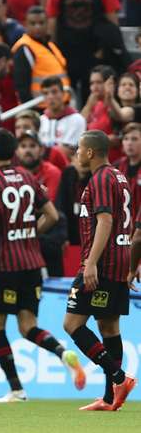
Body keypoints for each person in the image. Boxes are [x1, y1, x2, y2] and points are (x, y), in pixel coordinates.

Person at [0, 128, 83, 403]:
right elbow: (52, 215)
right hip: (33, 264)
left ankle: (16, 389)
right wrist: (31, 231)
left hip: (4, 265)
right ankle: (62, 352)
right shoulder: (28, 177)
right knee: (28, 326)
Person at [63, 130, 136, 411]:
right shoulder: (119, 177)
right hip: (119, 260)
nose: (77, 154)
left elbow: (105, 221)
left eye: (79, 149)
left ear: (90, 152)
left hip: (102, 263)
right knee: (108, 326)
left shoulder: (102, 178)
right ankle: (109, 399)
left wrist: (91, 262)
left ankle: (119, 378)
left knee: (72, 324)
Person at [11, 6, 69, 104]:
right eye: (33, 23)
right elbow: (22, 86)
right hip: (40, 106)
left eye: (41, 23)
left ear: (47, 24)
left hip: (60, 103)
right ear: (26, 25)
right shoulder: (24, 48)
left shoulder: (51, 45)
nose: (37, 27)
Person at [39, 76, 86, 157]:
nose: (50, 97)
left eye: (54, 92)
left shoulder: (77, 119)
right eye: (46, 93)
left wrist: (43, 150)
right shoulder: (41, 120)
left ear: (63, 94)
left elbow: (69, 152)